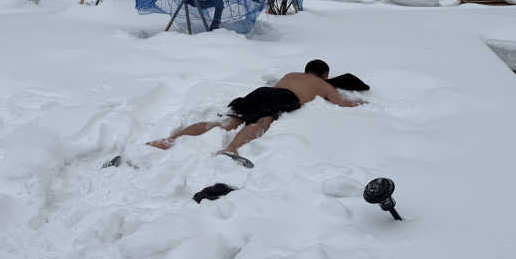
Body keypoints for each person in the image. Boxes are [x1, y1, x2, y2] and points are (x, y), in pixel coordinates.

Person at [147, 60, 366, 167]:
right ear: (324, 74)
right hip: (283, 97)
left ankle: (169, 139)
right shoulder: (321, 84)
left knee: (227, 122)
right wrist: (359, 104)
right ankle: (231, 149)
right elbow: (342, 103)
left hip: (262, 92)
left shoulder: (291, 73)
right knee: (263, 121)